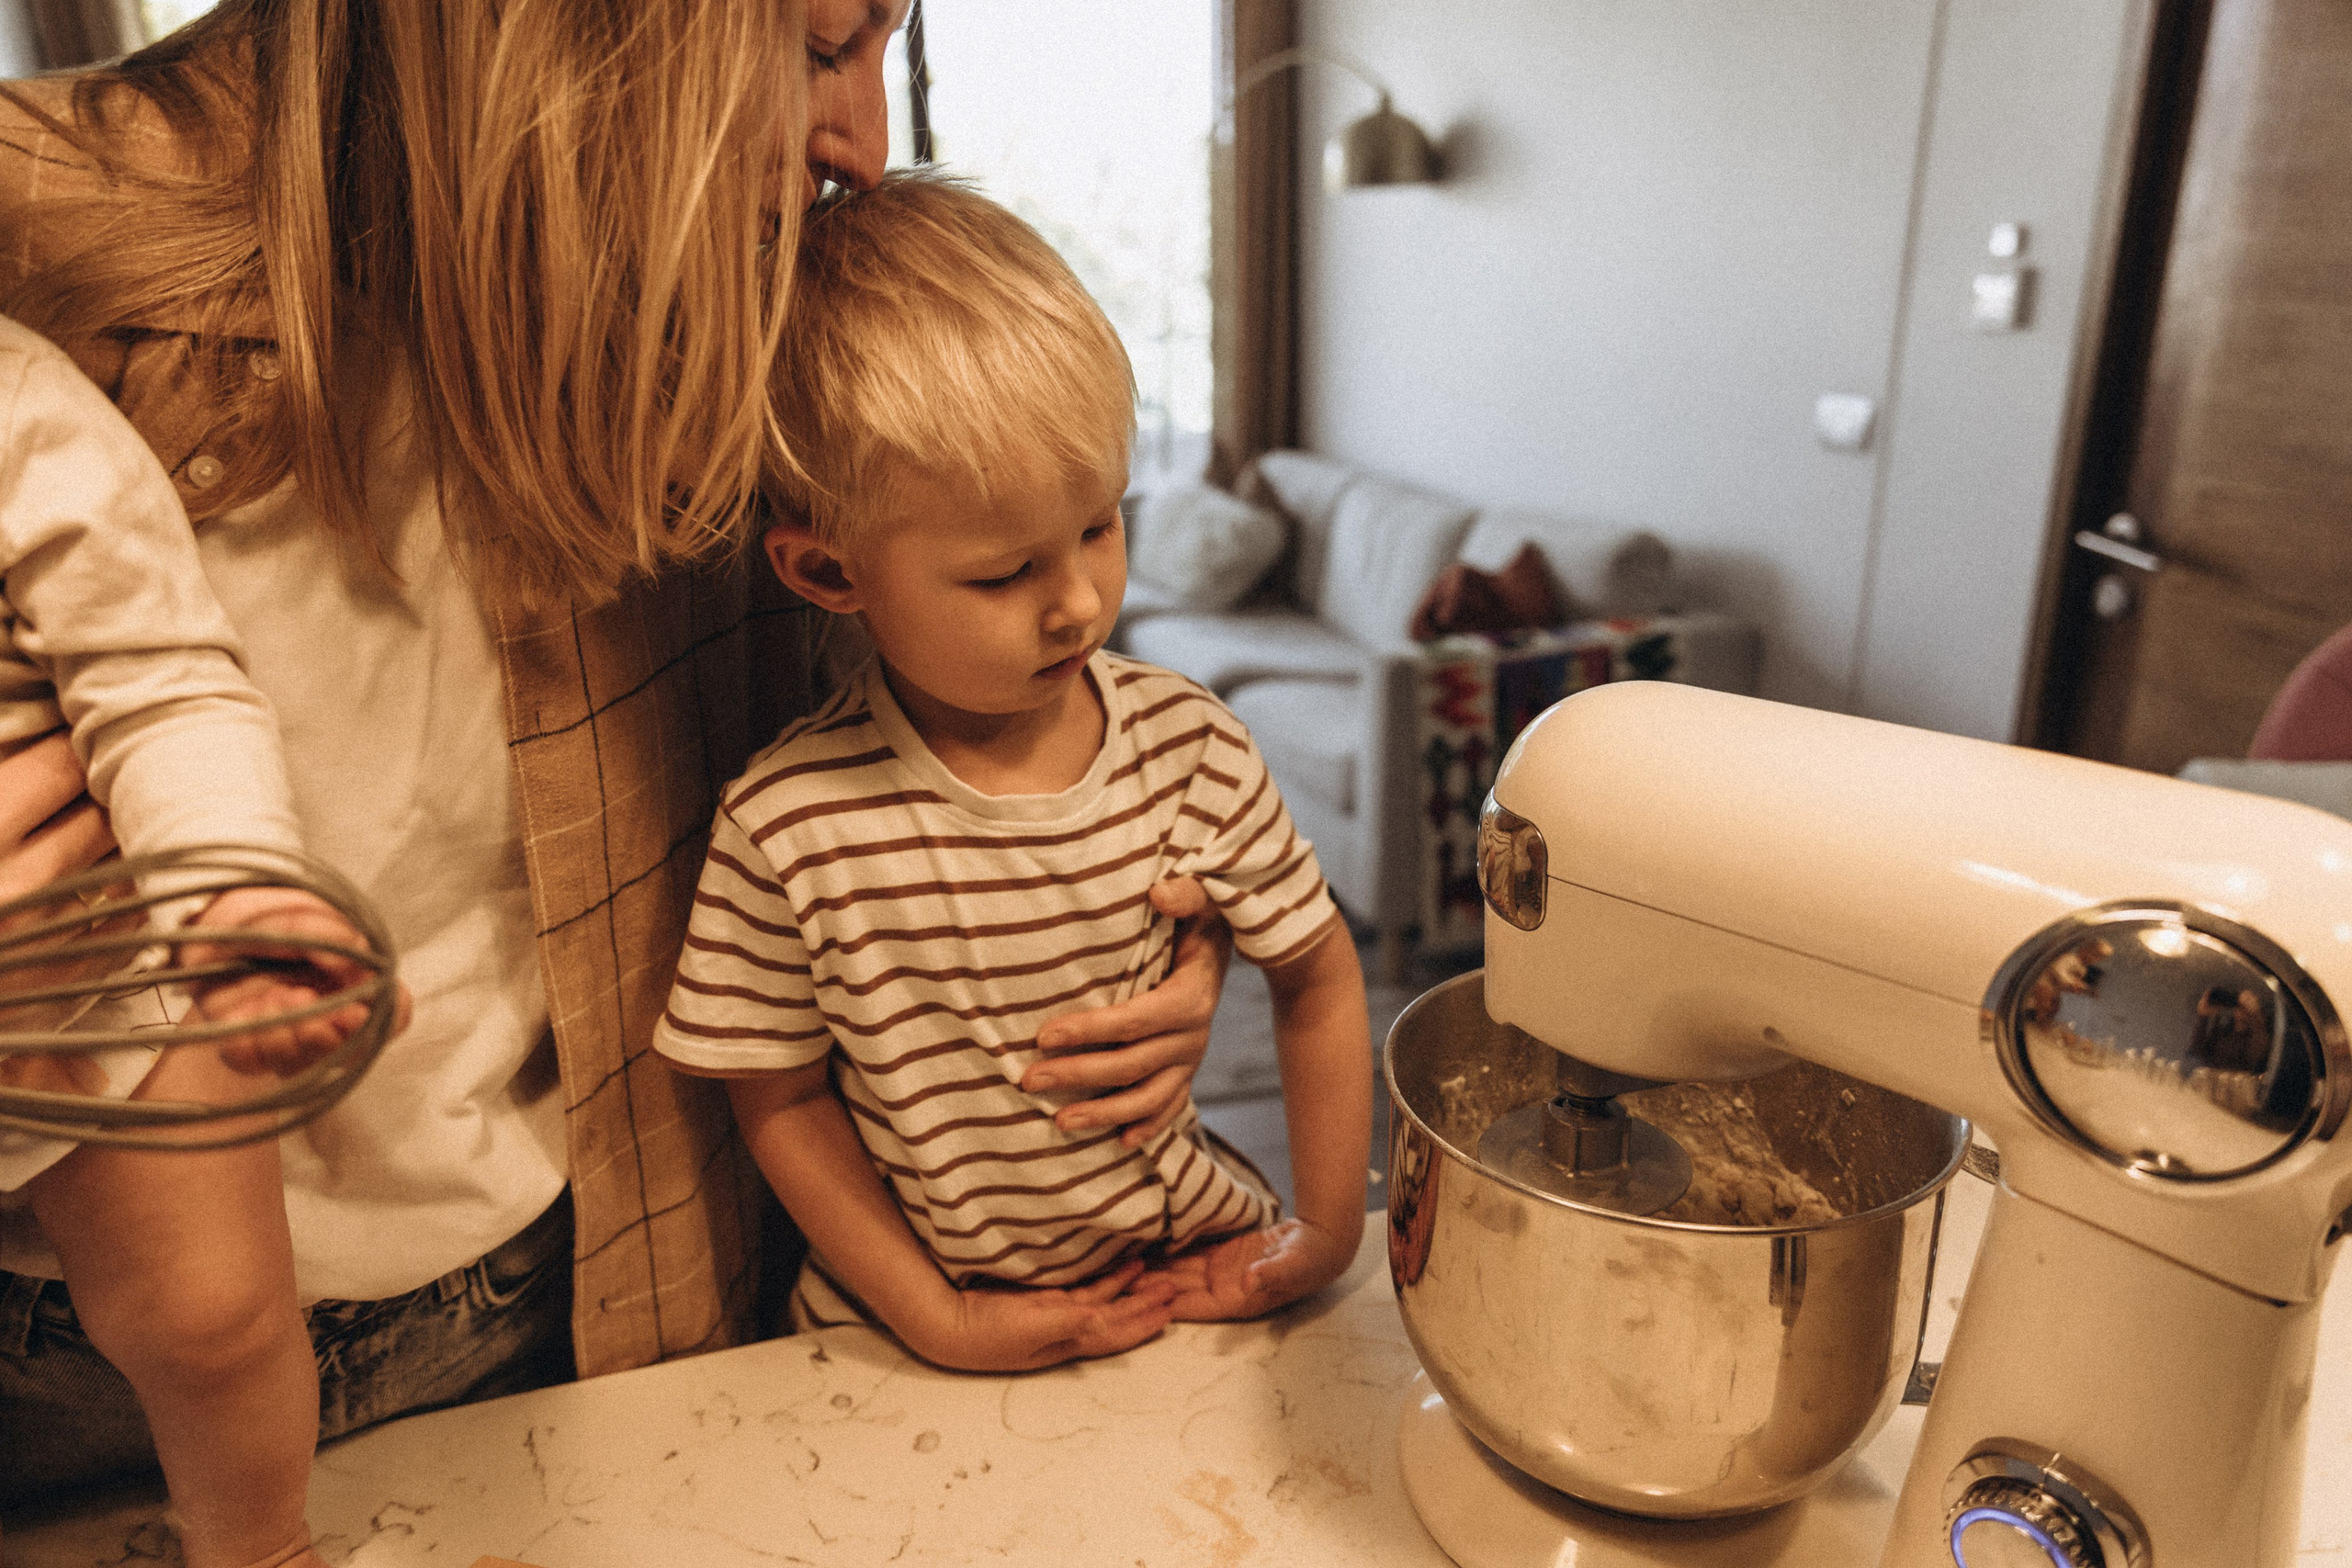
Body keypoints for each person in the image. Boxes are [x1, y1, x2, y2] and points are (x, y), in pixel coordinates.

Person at [0, 0, 1229, 1546]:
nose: (870, 143)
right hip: (82, 1391)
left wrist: (1112, 907)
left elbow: (898, 747)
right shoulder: (33, 243)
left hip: (585, 1309)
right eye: (817, 46)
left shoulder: (739, 298)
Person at [654, 173, 1372, 1371]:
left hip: (1187, 1282)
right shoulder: (788, 827)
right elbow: (777, 1102)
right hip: (901, 1339)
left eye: (1100, 524)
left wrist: (1327, 1230)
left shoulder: (1192, 747)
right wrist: (943, 1320)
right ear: (830, 575)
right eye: (1003, 574)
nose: (1081, 602)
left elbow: (1318, 979)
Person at [0, 311, 390, 1568]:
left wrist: (233, 890)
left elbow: (162, 683)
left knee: (213, 1318)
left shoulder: (19, 405)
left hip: (89, 975)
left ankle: (257, 1545)